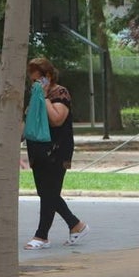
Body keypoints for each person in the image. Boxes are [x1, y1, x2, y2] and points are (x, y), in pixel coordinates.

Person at [22, 57, 89, 250]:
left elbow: (57, 119)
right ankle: (76, 225)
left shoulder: (60, 93)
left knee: (49, 192)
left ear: (48, 76)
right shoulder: (35, 95)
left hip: (57, 150)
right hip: (38, 150)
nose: (34, 84)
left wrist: (44, 97)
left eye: (38, 80)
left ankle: (42, 236)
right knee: (46, 192)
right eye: (32, 80)